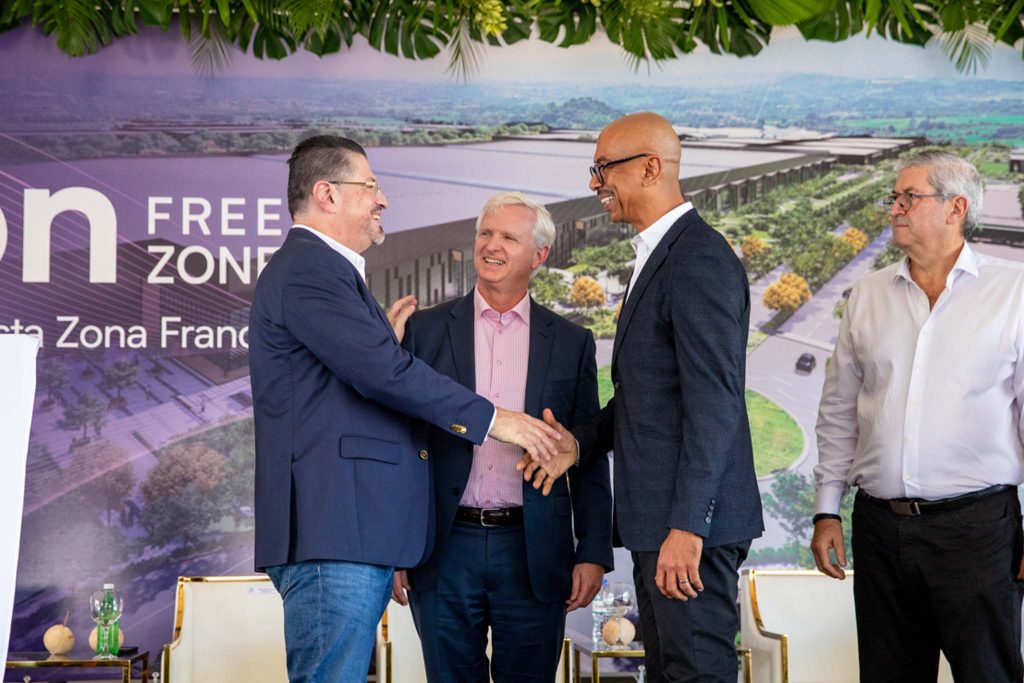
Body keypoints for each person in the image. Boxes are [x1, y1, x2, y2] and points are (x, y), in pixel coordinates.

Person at [248, 136, 559, 683]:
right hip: (332, 533)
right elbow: (383, 375)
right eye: (370, 186)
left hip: (347, 534)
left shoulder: (324, 271)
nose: (382, 199)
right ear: (327, 194)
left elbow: (359, 371)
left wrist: (380, 347)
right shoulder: (310, 269)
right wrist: (497, 419)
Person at [523, 112, 763, 682]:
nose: (594, 183)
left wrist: (689, 526)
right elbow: (647, 398)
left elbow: (715, 402)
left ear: (651, 168)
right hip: (661, 527)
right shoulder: (662, 255)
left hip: (687, 533)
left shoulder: (697, 257)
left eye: (603, 167)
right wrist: (577, 445)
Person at [810, 150, 1024, 682]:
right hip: (881, 530)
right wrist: (826, 511)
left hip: (978, 531)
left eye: (909, 197)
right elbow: (838, 411)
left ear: (956, 208)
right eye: (894, 197)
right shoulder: (867, 294)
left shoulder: (1013, 292)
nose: (895, 209)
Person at [390, 192, 614, 683]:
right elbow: (403, 445)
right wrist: (396, 548)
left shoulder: (571, 342)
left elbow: (588, 451)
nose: (491, 246)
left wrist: (594, 551)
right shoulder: (424, 331)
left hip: (534, 549)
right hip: (444, 549)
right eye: (485, 234)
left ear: (539, 255)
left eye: (508, 237)